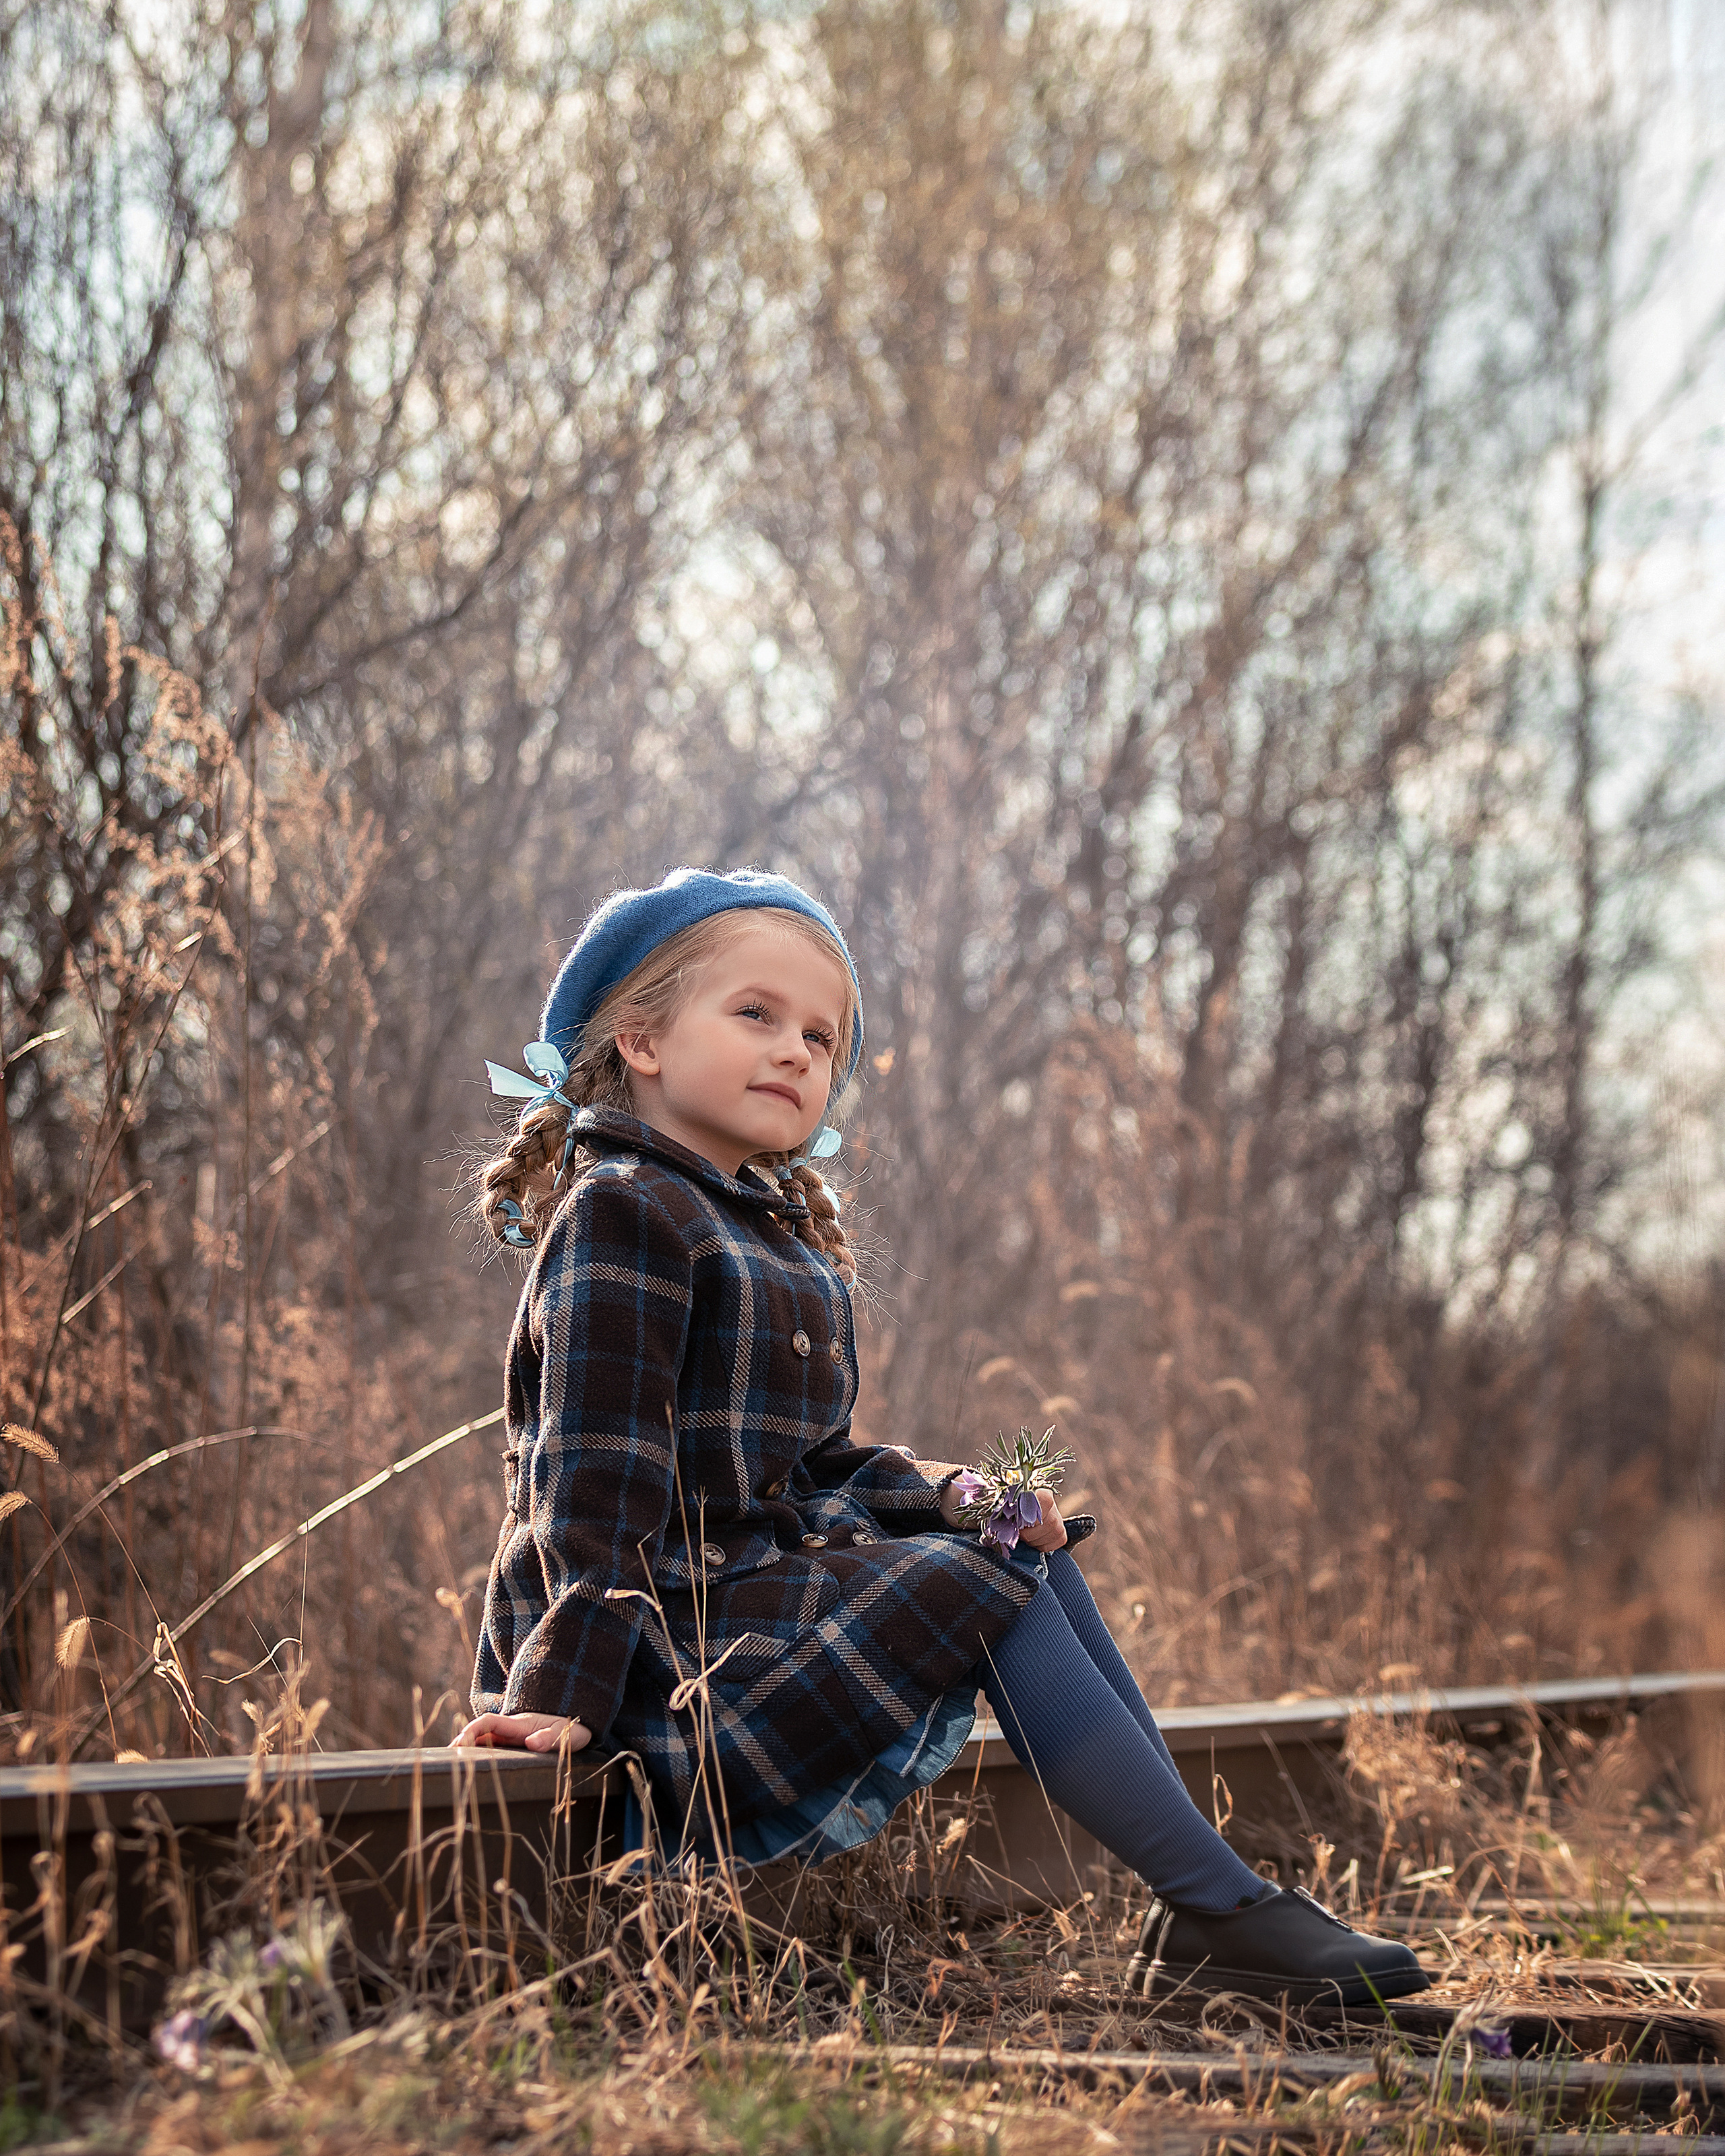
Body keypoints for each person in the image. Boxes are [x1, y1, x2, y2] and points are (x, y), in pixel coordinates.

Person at [453, 867, 1428, 2007]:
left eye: (821, 1036)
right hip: (651, 1646)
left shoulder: (779, 1245)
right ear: (644, 1041)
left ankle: (1214, 1906)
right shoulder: (623, 1207)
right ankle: (1216, 1907)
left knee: (1020, 1547)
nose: (797, 1052)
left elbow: (817, 1467)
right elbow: (592, 1486)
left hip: (745, 1598)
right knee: (983, 1584)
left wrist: (971, 1494)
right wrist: (558, 1685)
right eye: (755, 1014)